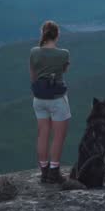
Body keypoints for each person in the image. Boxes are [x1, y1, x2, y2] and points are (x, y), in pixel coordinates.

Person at [29, 20, 71, 183]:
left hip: (38, 99)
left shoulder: (33, 52)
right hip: (57, 100)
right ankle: (54, 172)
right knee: (58, 136)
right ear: (57, 35)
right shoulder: (63, 54)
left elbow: (33, 76)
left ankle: (44, 171)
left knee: (43, 134)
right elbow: (64, 71)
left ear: (43, 34)